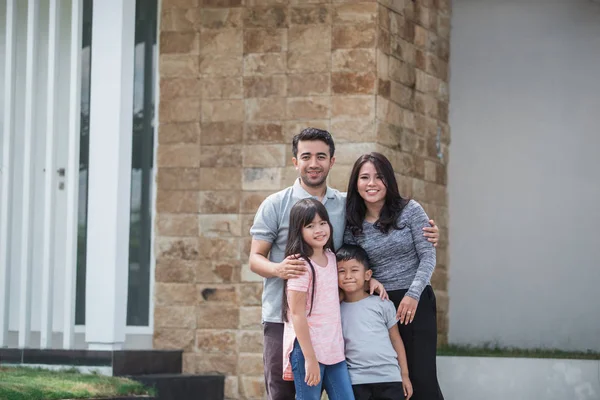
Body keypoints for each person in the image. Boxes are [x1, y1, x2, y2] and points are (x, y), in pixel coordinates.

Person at [249, 128, 439, 400]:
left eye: (321, 156)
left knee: (374, 388)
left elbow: (353, 253)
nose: (314, 163)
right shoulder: (275, 204)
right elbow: (255, 259)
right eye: (306, 157)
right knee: (283, 393)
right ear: (295, 162)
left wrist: (368, 278)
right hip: (285, 317)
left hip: (337, 319)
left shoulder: (345, 205)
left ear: (332, 161)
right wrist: (280, 269)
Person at [344, 152, 445, 400]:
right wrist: (370, 281)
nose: (372, 183)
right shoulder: (352, 223)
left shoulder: (411, 210)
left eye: (379, 177)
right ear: (356, 184)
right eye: (364, 177)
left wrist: (413, 295)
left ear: (388, 180)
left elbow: (428, 257)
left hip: (415, 302)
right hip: (379, 305)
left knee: (422, 379)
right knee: (394, 382)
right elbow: (349, 261)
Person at [281, 198, 354, 399]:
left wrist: (370, 283)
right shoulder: (300, 265)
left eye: (323, 223)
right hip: (308, 349)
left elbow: (332, 294)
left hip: (334, 350)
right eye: (310, 225)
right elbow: (297, 314)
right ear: (299, 230)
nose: (319, 229)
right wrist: (309, 358)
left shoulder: (331, 257)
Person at [337, 244, 413, 400]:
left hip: (389, 378)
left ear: (367, 275)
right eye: (341, 271)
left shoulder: (383, 304)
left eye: (354, 270)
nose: (348, 276)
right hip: (356, 380)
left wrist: (404, 375)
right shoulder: (336, 310)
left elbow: (396, 339)